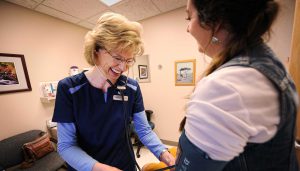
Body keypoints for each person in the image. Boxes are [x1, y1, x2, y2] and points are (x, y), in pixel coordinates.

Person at [176, 0, 299, 170]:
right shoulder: (269, 65)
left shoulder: (226, 86)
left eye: (189, 17)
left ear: (216, 22)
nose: (188, 28)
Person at [52, 12, 175, 171]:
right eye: (117, 58)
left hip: (125, 165)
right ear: (96, 50)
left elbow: (143, 130)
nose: (123, 68)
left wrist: (164, 155)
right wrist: (100, 168)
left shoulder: (131, 87)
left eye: (129, 60)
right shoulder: (69, 89)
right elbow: (66, 146)